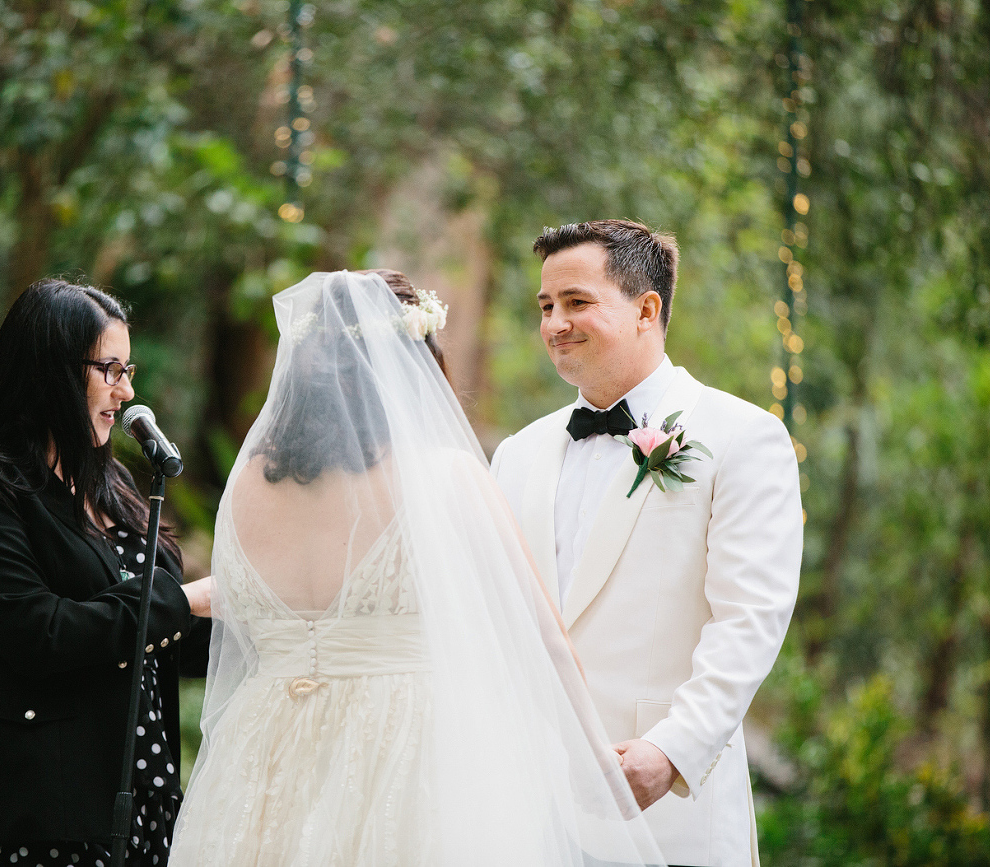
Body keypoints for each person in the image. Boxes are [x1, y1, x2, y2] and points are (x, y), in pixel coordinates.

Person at [169, 270, 666, 866]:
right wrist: (593, 770)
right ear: (413, 363)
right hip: (400, 748)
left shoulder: (249, 482)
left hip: (263, 745)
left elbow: (242, 598)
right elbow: (542, 636)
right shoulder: (444, 475)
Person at [491, 221, 803, 867]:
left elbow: (747, 620)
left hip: (669, 810)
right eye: (545, 306)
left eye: (576, 302)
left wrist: (671, 750)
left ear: (646, 308)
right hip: (527, 811)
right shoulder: (516, 453)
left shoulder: (743, 436)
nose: (554, 323)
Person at [0, 279, 212, 867]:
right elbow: (40, 634)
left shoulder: (118, 487)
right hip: (32, 810)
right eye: (110, 369)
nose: (127, 391)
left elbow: (155, 642)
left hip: (141, 804)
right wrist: (187, 601)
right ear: (50, 369)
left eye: (128, 370)